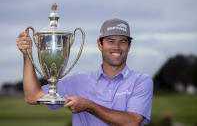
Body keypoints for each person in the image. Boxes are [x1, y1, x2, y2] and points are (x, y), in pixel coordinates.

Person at [17, 18, 153, 126]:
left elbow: (132, 122)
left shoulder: (141, 81)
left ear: (129, 46)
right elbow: (32, 96)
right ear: (100, 45)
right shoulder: (78, 81)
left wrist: (89, 106)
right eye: (110, 41)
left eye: (122, 42)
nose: (116, 47)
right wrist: (27, 55)